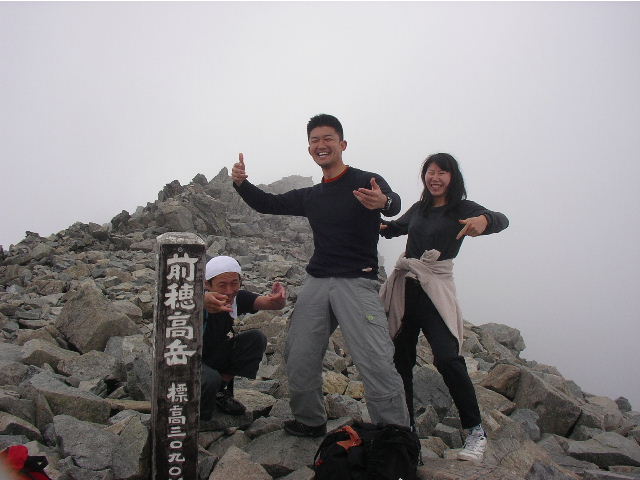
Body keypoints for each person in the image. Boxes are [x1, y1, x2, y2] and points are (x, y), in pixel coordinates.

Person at [230, 113, 410, 437]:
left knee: (376, 361)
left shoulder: (365, 181)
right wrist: (241, 184)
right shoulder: (311, 196)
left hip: (357, 282)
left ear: (342, 144)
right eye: (315, 140)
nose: (321, 145)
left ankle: (396, 438)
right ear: (309, 149)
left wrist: (383, 202)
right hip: (317, 281)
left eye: (328, 138)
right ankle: (310, 420)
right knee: (298, 353)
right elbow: (268, 203)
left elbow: (393, 203)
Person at [379, 152, 509, 462]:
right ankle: (407, 432)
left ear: (453, 177)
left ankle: (475, 432)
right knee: (401, 361)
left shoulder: (462, 208)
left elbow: (501, 219)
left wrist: (485, 221)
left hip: (435, 288)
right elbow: (393, 228)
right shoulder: (420, 208)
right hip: (406, 290)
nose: (434, 178)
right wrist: (369, 219)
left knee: (448, 358)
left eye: (442, 172)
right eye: (430, 172)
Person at [200, 255, 286, 419]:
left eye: (234, 283)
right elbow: (173, 301)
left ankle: (220, 390)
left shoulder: (236, 298)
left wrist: (279, 299)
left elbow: (269, 303)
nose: (229, 290)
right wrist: (200, 301)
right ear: (207, 284)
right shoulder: (194, 299)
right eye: (222, 285)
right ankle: (199, 417)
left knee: (256, 339)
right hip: (189, 361)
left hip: (214, 354)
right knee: (210, 379)